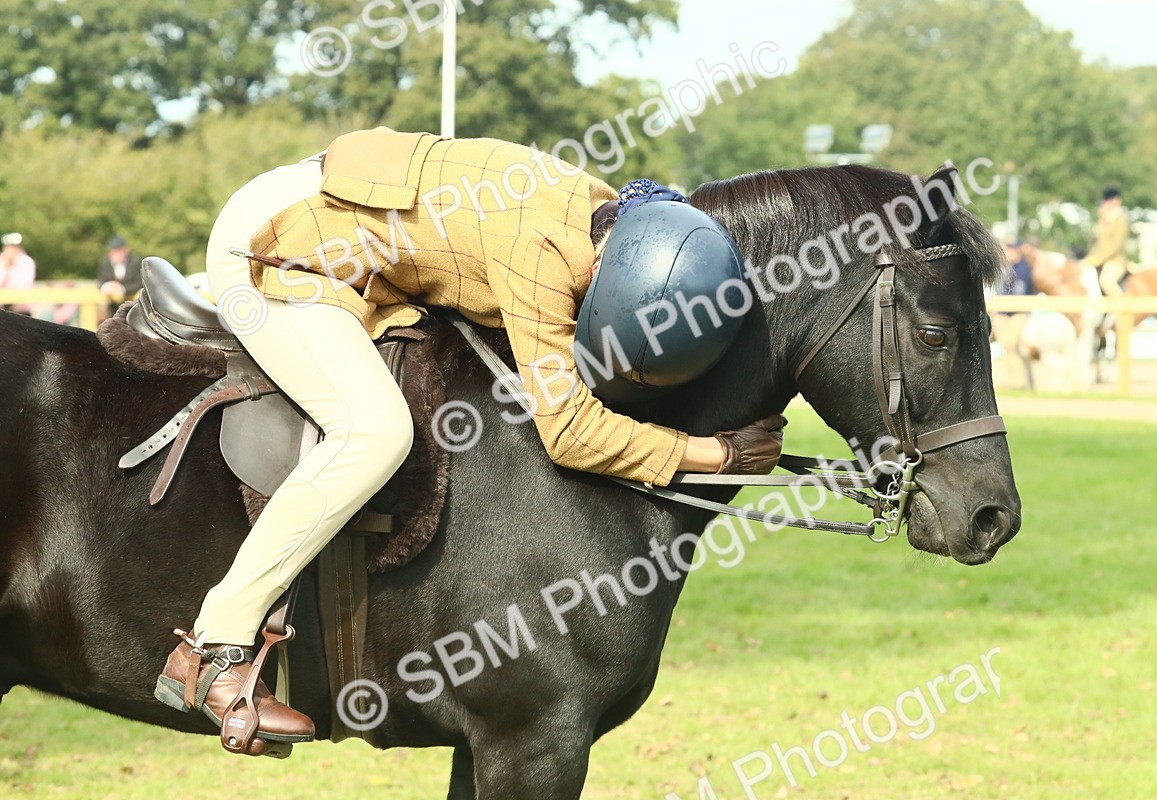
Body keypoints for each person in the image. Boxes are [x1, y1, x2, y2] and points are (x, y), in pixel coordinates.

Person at [154, 128, 786, 750]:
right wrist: (716, 454)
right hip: (272, 246)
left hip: (330, 215)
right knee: (373, 432)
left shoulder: (608, 209)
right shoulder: (538, 252)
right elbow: (569, 433)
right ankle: (214, 646)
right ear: (606, 265)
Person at [1083, 187, 1130, 296]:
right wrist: (1088, 259)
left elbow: (1116, 246)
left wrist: (1097, 259)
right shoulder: (1104, 220)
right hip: (1099, 259)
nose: (1106, 204)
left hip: (1115, 260)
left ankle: (1123, 309)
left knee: (1107, 281)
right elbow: (1098, 244)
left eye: (1109, 201)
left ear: (1117, 201)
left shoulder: (1121, 220)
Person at [0, 232, 36, 315]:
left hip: (21, 310)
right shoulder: (1, 261)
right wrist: (6, 268)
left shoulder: (27, 262)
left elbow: (25, 285)